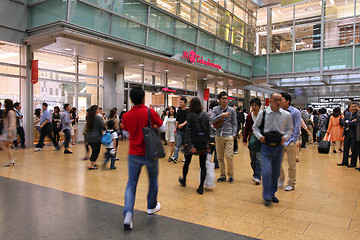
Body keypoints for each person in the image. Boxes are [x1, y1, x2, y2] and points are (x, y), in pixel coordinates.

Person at [121, 87, 166, 230]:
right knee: (152, 180)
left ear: (131, 100)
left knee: (131, 183)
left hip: (133, 154)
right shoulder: (149, 112)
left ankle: (128, 213)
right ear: (143, 98)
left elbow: (126, 132)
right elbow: (163, 128)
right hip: (150, 153)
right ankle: (151, 206)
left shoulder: (126, 115)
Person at [253, 92, 293, 206]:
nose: (278, 102)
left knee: (276, 172)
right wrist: (260, 137)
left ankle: (272, 193)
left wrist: (285, 138)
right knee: (266, 171)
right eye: (275, 99)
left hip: (278, 147)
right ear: (269, 101)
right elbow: (255, 127)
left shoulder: (286, 115)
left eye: (280, 100)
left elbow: (290, 128)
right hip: (266, 146)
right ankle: (266, 196)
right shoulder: (263, 113)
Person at [178, 97, 210, 195]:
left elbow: (188, 131)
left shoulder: (190, 115)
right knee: (202, 165)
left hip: (192, 143)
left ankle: (184, 180)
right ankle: (200, 187)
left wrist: (190, 145)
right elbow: (208, 130)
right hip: (203, 143)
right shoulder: (205, 115)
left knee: (187, 162)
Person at [210, 91, 237, 183]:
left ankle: (231, 175)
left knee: (229, 156)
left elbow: (235, 123)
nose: (225, 100)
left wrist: (234, 134)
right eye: (223, 98)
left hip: (229, 135)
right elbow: (212, 120)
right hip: (218, 135)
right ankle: (222, 175)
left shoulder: (232, 110)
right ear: (219, 100)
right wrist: (221, 115)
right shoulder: (215, 109)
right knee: (220, 157)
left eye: (226, 98)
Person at [279, 92, 301, 192]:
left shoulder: (295, 112)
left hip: (290, 141)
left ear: (287, 101)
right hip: (280, 141)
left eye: (281, 99)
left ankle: (291, 183)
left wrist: (293, 140)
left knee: (291, 164)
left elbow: (297, 127)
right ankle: (281, 178)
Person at [243, 98, 262, 185]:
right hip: (252, 140)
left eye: (256, 105)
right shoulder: (249, 116)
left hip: (261, 140)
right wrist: (244, 139)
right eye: (252, 105)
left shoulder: (263, 115)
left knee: (259, 159)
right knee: (253, 159)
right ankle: (255, 173)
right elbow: (246, 128)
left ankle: (258, 176)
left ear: (259, 106)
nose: (254, 107)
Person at [338, 102, 358, 167]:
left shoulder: (358, 114)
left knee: (354, 149)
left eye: (355, 106)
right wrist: (350, 122)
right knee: (345, 148)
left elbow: (355, 123)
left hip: (354, 134)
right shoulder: (347, 114)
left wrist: (348, 122)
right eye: (352, 106)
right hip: (347, 133)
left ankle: (353, 163)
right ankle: (344, 162)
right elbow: (342, 122)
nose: (353, 108)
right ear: (349, 108)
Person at [86, 105, 105, 170]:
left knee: (94, 150)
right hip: (96, 138)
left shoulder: (89, 118)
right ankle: (91, 164)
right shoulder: (98, 118)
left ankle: (94, 162)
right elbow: (103, 126)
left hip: (89, 137)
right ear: (96, 110)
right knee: (96, 151)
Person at [171, 96, 188, 163]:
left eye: (181, 102)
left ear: (185, 103)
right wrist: (175, 127)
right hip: (179, 130)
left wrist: (182, 124)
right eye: (180, 102)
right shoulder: (179, 111)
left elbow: (188, 120)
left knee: (185, 145)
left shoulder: (188, 111)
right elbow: (177, 120)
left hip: (186, 130)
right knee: (178, 144)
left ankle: (185, 157)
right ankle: (175, 157)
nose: (180, 103)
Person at [0, 99, 17, 166]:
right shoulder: (7, 112)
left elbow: (12, 122)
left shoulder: (10, 112)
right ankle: (10, 160)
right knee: (7, 146)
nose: (3, 104)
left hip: (9, 131)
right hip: (7, 130)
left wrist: (10, 131)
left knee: (2, 144)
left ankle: (11, 159)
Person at [209, 101, 219, 169]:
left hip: (209, 135)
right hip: (217, 135)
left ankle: (208, 162)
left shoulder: (207, 114)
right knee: (217, 150)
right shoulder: (218, 114)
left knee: (209, 151)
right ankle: (216, 163)